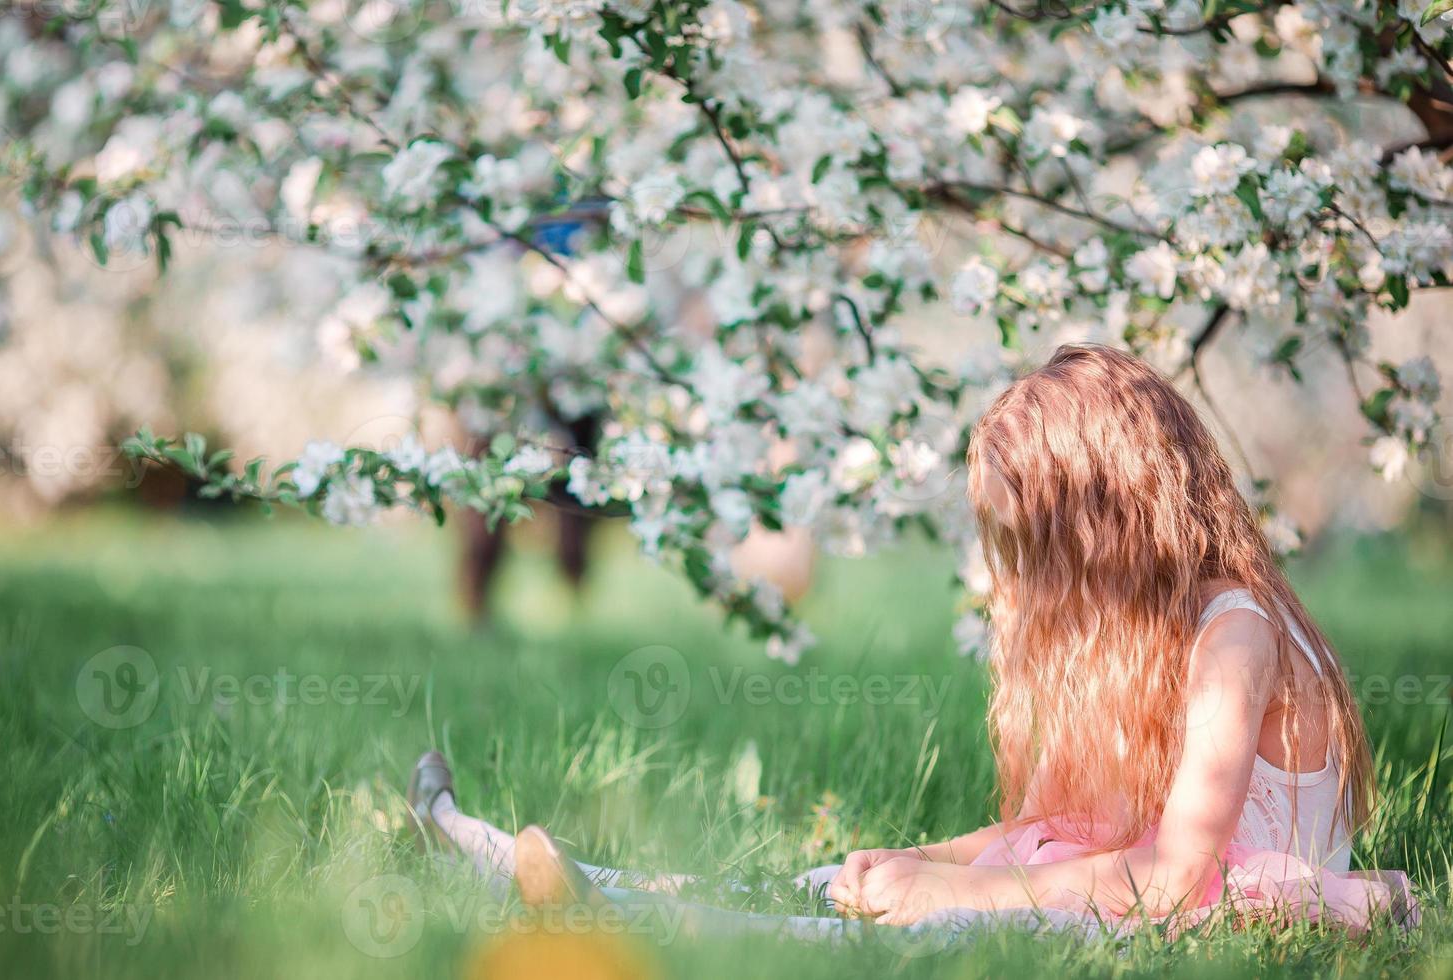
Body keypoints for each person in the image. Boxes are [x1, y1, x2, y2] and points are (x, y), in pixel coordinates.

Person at [406, 344, 1418, 943]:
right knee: (838, 885)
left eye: (1047, 546)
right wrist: (925, 856)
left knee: (886, 923)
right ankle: (548, 866)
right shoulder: (1148, 634)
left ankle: (625, 912)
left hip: (1198, 896)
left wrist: (964, 889)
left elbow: (1173, 876)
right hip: (1105, 875)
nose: (1036, 579)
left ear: (1121, 511)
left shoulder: (1235, 632)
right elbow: (1063, 824)